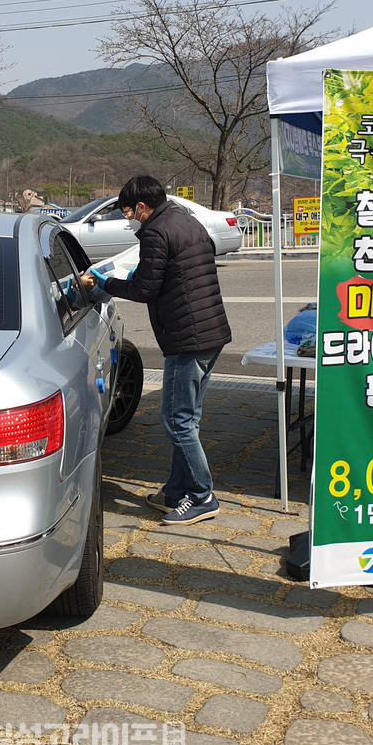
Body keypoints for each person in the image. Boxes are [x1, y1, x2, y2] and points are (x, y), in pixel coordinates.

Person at [78, 175, 232, 525]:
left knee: (175, 420)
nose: (129, 219)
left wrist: (106, 283)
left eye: (129, 212)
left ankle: (202, 495)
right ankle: (177, 490)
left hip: (186, 338)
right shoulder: (185, 220)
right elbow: (171, 273)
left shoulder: (154, 231)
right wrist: (139, 273)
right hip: (212, 332)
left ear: (143, 207)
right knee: (188, 417)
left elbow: (146, 288)